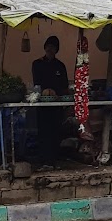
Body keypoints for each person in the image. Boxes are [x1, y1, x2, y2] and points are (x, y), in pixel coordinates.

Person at [32, 35, 69, 166]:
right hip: (43, 103)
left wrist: (61, 95)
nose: (50, 49)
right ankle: (43, 158)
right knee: (43, 130)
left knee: (56, 131)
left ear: (56, 49)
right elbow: (37, 83)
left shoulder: (60, 66)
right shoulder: (37, 64)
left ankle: (54, 158)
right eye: (48, 46)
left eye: (53, 47)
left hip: (57, 104)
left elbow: (64, 85)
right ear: (45, 47)